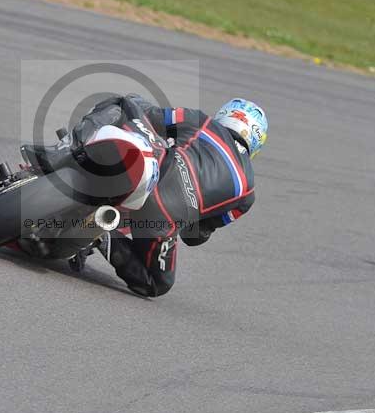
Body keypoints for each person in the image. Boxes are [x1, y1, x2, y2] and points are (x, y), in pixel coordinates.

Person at [22, 94, 268, 297]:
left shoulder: (202, 121)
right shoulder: (247, 194)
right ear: (256, 141)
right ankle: (104, 233)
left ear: (225, 115)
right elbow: (196, 236)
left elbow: (150, 116)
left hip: (151, 174)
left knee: (124, 102)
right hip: (164, 220)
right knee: (156, 283)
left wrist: (160, 140)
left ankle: (63, 152)